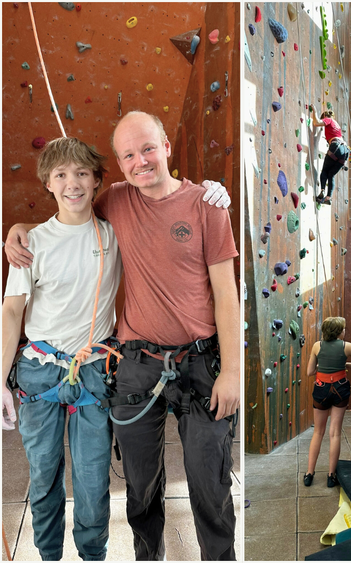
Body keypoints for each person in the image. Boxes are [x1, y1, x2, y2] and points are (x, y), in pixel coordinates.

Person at [5, 111, 239, 560]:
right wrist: (16, 231)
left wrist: (231, 371)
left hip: (200, 362)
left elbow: (227, 294)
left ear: (167, 146)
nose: (141, 161)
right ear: (118, 162)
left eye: (148, 148)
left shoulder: (208, 206)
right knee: (140, 486)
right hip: (135, 367)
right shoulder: (115, 200)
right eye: (129, 154)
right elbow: (65, 214)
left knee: (211, 483)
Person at [1, 137, 121, 561]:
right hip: (41, 370)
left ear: (97, 181)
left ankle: (93, 553)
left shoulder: (114, 235)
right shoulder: (31, 243)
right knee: (44, 473)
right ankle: (48, 554)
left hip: (92, 369)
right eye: (61, 175)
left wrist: (210, 194)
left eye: (82, 173)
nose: (72, 183)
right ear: (48, 184)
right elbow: (11, 312)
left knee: (92, 478)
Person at [304, 317, 351, 488]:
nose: (344, 331)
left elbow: (310, 371)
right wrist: (344, 364)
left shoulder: (317, 346)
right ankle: (330, 476)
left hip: (321, 388)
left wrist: (324, 368)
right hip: (340, 389)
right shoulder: (346, 346)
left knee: (318, 432)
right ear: (338, 331)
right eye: (343, 328)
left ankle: (309, 473)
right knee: (335, 433)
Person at [310, 106, 351, 204]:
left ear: (325, 116)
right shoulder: (337, 125)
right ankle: (328, 198)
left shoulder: (329, 120)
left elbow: (316, 123)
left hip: (336, 147)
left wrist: (315, 111)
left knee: (324, 171)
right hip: (345, 152)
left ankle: (323, 191)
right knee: (331, 175)